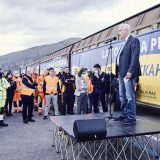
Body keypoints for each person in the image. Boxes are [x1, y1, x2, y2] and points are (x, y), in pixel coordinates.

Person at [115, 23, 141, 124]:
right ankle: (124, 113)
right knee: (122, 96)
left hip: (128, 74)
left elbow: (135, 57)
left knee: (130, 96)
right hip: (121, 74)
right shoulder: (124, 43)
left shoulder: (134, 40)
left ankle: (131, 117)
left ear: (126, 30)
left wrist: (130, 71)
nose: (118, 33)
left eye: (120, 30)